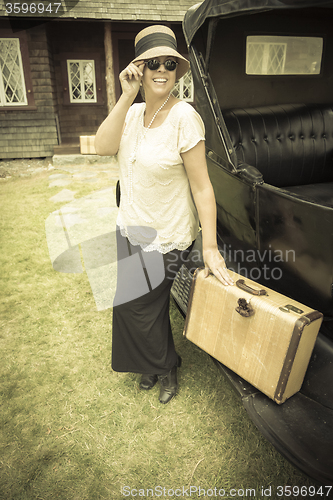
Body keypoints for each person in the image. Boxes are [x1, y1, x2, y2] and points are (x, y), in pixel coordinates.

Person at [95, 25, 234, 404]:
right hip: (131, 226)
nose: (162, 70)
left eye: (169, 64)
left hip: (169, 231)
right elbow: (102, 146)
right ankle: (153, 363)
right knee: (133, 303)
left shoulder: (184, 117)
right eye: (152, 62)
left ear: (176, 71)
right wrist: (125, 97)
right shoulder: (132, 111)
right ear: (138, 69)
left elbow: (203, 187)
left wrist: (209, 247)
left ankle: (166, 364)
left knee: (142, 302)